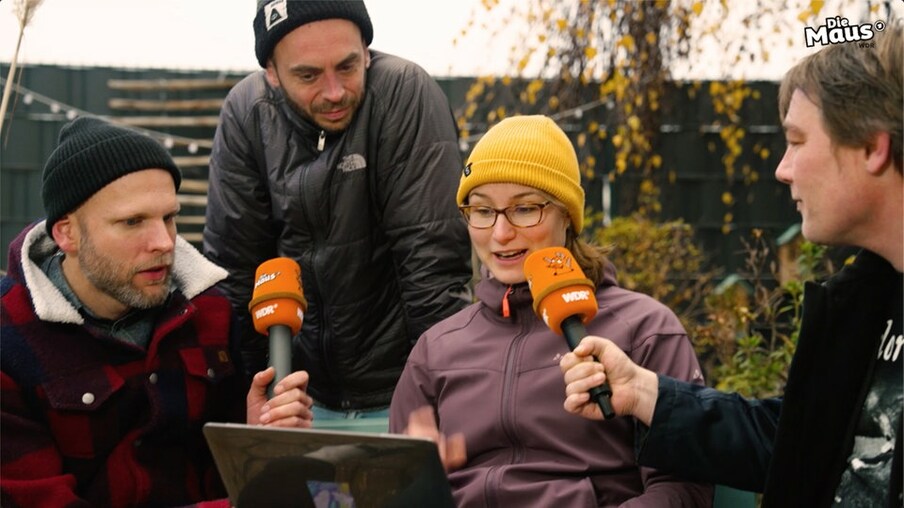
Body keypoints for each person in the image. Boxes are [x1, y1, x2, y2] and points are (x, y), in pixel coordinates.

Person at [561, 20, 902, 508]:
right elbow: (796, 445)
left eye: (798, 141)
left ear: (873, 146)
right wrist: (640, 389)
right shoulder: (866, 303)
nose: (782, 169)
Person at [389, 115, 714, 506]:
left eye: (525, 209)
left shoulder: (645, 329)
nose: (500, 233)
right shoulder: (435, 349)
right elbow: (391, 491)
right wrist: (412, 480)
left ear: (568, 215)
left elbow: (683, 489)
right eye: (482, 210)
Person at [0, 117, 314, 507]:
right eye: (133, 222)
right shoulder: (9, 338)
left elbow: (226, 479)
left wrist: (250, 439)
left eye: (169, 217)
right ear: (67, 234)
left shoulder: (210, 311)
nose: (164, 242)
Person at [203, 0, 472, 420]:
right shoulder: (247, 114)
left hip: (404, 393)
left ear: (366, 49)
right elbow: (237, 274)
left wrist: (441, 399)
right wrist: (256, 401)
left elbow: (432, 266)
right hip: (299, 397)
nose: (334, 91)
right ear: (271, 73)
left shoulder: (404, 94)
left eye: (347, 66)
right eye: (308, 75)